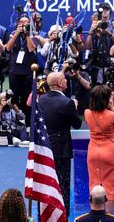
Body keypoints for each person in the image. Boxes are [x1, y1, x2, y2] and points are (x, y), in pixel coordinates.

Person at [38, 72, 82, 217]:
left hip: (44, 149)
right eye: (64, 79)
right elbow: (76, 124)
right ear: (60, 84)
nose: (67, 81)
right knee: (62, 184)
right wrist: (74, 108)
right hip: (61, 149)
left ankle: (44, 214)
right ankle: (63, 215)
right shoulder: (67, 102)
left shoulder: (41, 100)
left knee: (44, 182)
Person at [84, 85, 114, 213]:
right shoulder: (112, 115)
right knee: (110, 188)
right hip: (109, 152)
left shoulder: (87, 113)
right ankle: (108, 217)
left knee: (94, 184)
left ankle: (95, 214)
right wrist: (112, 108)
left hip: (93, 152)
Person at [6, 14, 38, 127]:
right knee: (14, 97)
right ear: (18, 24)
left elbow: (31, 49)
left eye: (26, 22)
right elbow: (8, 48)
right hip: (15, 71)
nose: (24, 24)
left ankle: (28, 124)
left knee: (26, 98)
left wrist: (28, 33)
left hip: (27, 72)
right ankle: (15, 122)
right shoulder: (13, 34)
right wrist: (16, 34)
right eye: (21, 22)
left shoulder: (34, 35)